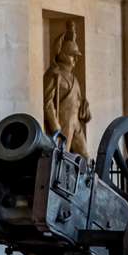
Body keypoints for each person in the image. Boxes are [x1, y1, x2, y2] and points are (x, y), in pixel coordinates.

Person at [43, 23, 91, 157]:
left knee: (85, 157)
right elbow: (47, 103)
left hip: (75, 124)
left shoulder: (74, 79)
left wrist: (84, 108)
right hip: (62, 125)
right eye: (72, 55)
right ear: (62, 55)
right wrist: (55, 127)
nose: (75, 59)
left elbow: (78, 102)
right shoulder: (54, 74)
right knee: (62, 160)